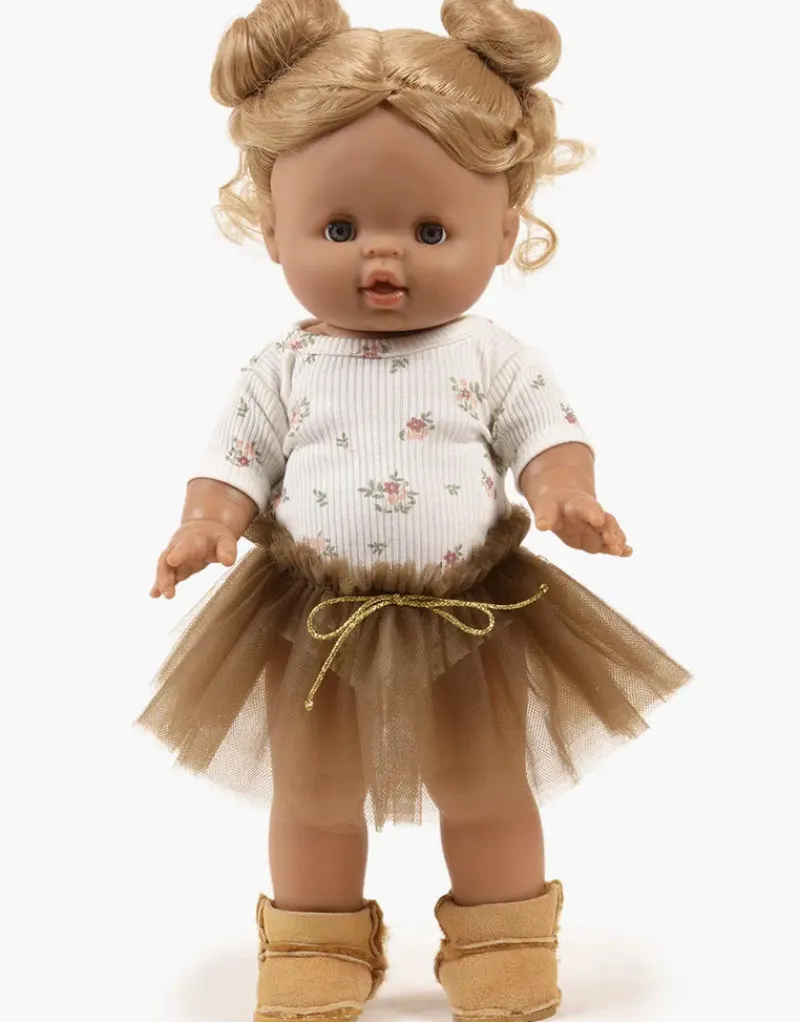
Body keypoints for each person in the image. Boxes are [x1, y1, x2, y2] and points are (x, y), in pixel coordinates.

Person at [139, 2, 691, 1019]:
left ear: (504, 230)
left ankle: (502, 940)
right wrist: (207, 520)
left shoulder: (487, 354)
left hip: (466, 614)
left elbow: (545, 432)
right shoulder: (284, 363)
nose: (382, 259)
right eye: (340, 228)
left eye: (430, 231)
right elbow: (235, 456)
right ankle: (313, 946)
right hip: (311, 616)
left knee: (484, 786)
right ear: (273, 226)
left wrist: (564, 493)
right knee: (313, 797)